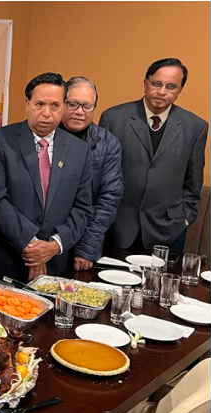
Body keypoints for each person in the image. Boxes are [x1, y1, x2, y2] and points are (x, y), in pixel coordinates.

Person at [0, 73, 93, 281]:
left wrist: (54, 245)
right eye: (39, 104)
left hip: (55, 264)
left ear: (64, 106)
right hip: (7, 260)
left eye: (55, 106)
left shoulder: (80, 150)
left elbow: (83, 207)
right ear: (27, 104)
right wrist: (31, 246)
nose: (47, 113)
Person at [99, 58, 208, 253]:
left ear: (180, 90)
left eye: (171, 86)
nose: (162, 91)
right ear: (145, 83)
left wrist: (184, 219)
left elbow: (193, 182)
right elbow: (99, 175)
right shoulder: (113, 118)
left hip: (169, 231)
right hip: (116, 228)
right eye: (157, 83)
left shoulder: (196, 127)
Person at [59, 77, 124, 270]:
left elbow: (108, 199)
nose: (80, 112)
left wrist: (86, 248)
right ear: (62, 102)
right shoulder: (46, 136)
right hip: (44, 242)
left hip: (83, 241)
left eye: (87, 106)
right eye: (73, 104)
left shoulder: (108, 143)